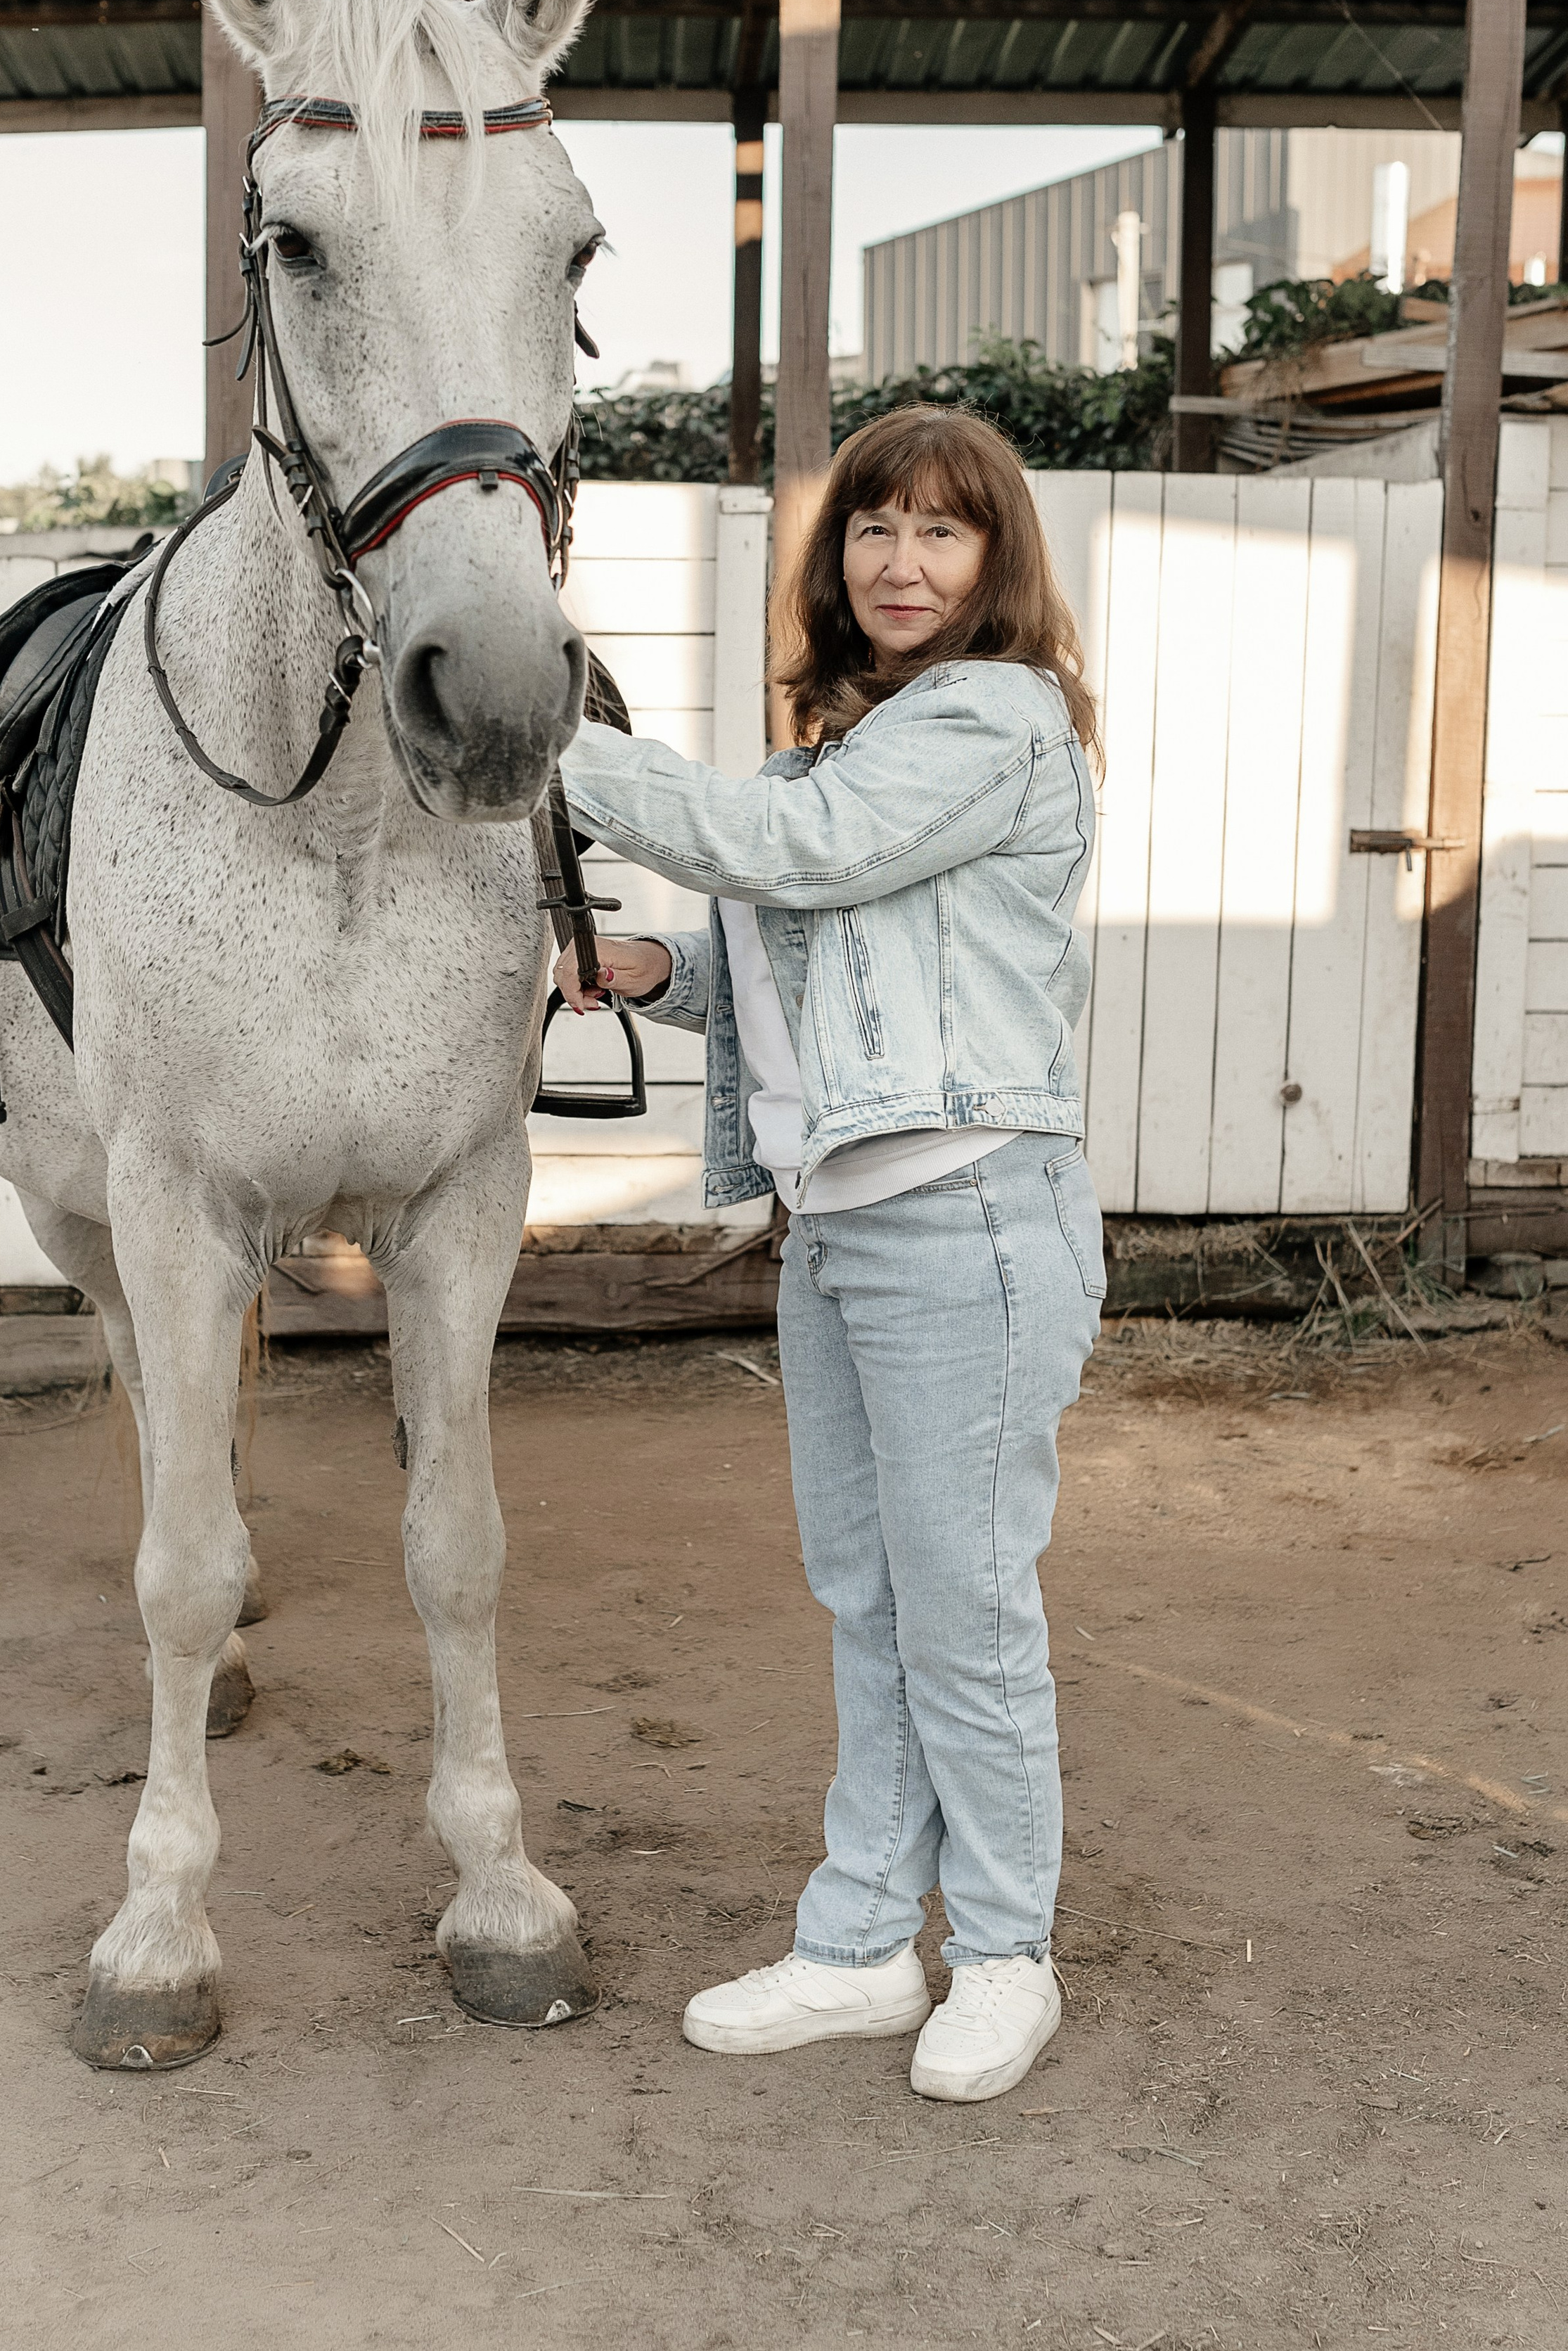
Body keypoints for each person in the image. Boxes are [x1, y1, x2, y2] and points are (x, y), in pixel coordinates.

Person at [553, 404, 1104, 2103]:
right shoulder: (838, 755)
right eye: (872, 528)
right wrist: (663, 978)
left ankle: (1003, 1952)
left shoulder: (992, 720)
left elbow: (799, 861)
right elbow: (815, 965)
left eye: (941, 531)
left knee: (963, 1610)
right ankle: (864, 1939)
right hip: (843, 1230)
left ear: (994, 561)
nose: (899, 561)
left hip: (967, 1220)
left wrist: (543, 739)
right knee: (869, 1603)